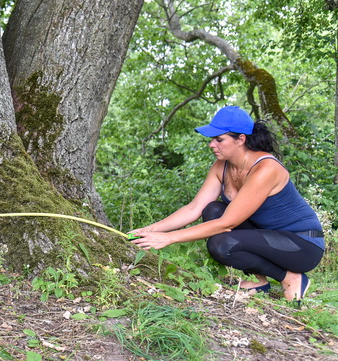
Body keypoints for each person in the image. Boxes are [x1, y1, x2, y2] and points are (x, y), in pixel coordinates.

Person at [130, 106, 324, 302]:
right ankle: (259, 281)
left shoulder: (266, 169)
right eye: (211, 139)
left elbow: (227, 224)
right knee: (213, 209)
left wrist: (168, 238)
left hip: (301, 244)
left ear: (241, 139)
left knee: (221, 243)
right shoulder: (221, 166)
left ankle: (291, 278)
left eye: (219, 139)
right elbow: (194, 208)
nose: (211, 145)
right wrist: (151, 229)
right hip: (264, 235)